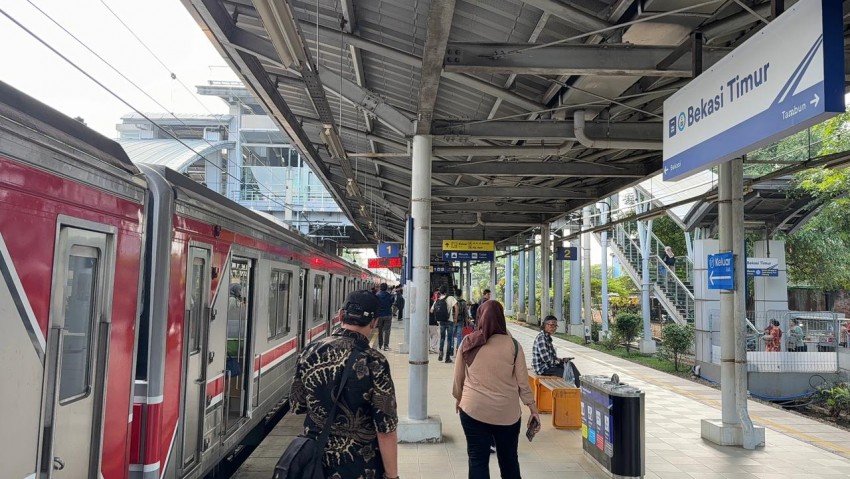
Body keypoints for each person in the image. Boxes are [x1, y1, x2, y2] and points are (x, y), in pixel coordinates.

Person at [289, 290, 399, 479]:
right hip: (361, 466)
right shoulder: (375, 362)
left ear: (340, 315)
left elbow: (297, 405)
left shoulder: (309, 352)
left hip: (314, 464)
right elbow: (385, 428)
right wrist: (392, 476)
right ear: (374, 322)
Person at [453, 300, 540, 479]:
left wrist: (459, 398)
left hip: (472, 410)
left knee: (477, 459)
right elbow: (523, 382)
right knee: (509, 460)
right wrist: (533, 409)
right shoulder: (514, 346)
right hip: (506, 414)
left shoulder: (468, 342)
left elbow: (458, 377)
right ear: (502, 318)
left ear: (480, 317)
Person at [431, 286, 458, 363]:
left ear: (440, 292)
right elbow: (456, 307)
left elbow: (431, 310)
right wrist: (455, 318)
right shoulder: (451, 298)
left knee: (442, 338)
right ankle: (447, 357)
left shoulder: (438, 300)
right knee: (449, 339)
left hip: (441, 322)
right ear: (446, 291)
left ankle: (440, 352)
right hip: (449, 321)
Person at [375, 283, 394, 351]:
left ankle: (380, 345)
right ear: (386, 288)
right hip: (388, 315)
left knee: (380, 330)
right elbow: (392, 303)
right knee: (387, 331)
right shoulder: (390, 295)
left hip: (379, 315)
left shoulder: (377, 295)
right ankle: (386, 346)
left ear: (380, 288)